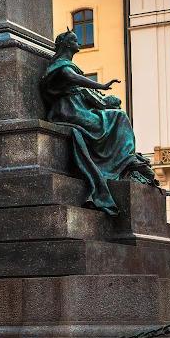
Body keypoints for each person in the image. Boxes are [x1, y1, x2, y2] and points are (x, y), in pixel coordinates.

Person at [38, 29, 156, 215]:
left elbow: (84, 91)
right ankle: (126, 160)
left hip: (78, 108)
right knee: (117, 118)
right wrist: (100, 85)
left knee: (117, 115)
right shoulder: (60, 65)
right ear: (67, 45)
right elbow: (71, 77)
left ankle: (126, 158)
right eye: (75, 40)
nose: (79, 43)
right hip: (69, 111)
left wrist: (103, 100)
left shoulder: (65, 64)